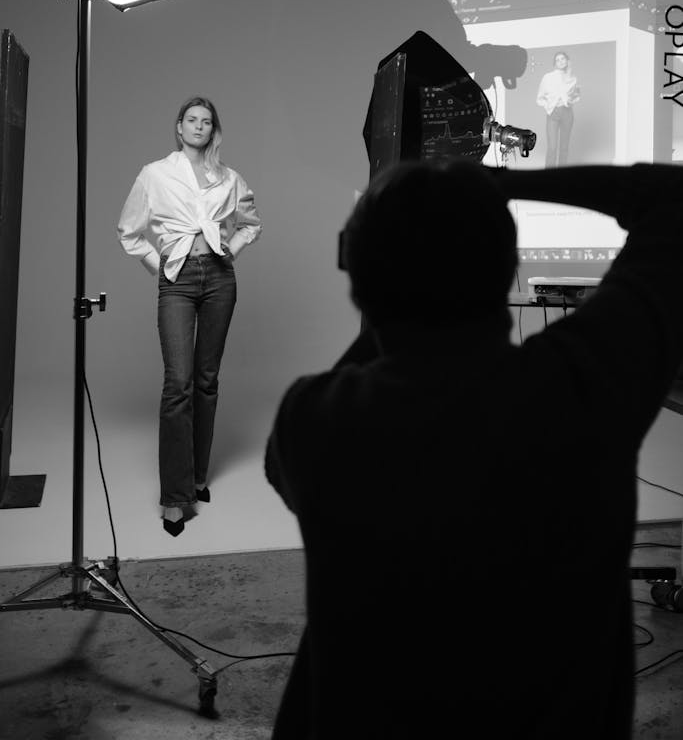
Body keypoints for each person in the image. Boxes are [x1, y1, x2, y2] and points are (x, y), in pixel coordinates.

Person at [265, 157, 683, 739]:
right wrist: (500, 184)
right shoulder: (580, 390)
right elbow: (675, 196)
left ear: (357, 276)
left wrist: (392, 261)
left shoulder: (314, 420)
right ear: (507, 268)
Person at [118, 96, 262, 536]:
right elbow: (129, 230)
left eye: (207, 121)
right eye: (192, 120)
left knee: (206, 380)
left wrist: (229, 253)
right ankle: (175, 498)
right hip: (177, 280)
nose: (199, 127)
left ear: (212, 130)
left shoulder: (228, 177)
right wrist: (160, 263)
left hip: (219, 278)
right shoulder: (154, 174)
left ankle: (198, 475)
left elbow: (250, 223)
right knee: (177, 383)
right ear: (179, 128)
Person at [536, 50, 581, 167]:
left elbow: (576, 97)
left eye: (563, 59)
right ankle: (549, 175)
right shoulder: (548, 77)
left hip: (567, 113)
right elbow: (540, 98)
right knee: (552, 147)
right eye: (558, 60)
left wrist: (571, 99)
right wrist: (548, 107)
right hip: (553, 114)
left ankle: (562, 175)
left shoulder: (573, 78)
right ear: (555, 63)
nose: (560, 61)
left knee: (564, 147)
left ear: (567, 61)